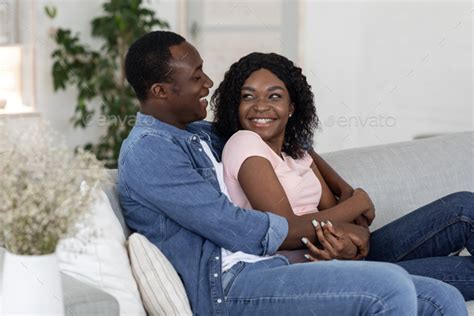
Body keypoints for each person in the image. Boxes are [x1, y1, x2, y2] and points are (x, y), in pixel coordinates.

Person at [118, 30, 468, 315]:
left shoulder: (199, 134)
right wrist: (349, 216)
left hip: (273, 268)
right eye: (196, 76)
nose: (208, 82)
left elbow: (285, 141)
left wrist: (344, 190)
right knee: (391, 287)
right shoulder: (149, 152)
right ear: (161, 91)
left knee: (443, 299)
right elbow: (241, 229)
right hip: (229, 287)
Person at [212, 51, 474, 298]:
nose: (260, 106)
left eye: (274, 96)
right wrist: (358, 202)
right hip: (309, 271)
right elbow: (284, 231)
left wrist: (354, 241)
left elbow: (346, 218)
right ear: (236, 105)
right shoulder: (244, 143)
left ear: (292, 106)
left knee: (464, 206)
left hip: (344, 258)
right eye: (248, 96)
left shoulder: (297, 153)